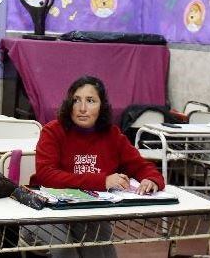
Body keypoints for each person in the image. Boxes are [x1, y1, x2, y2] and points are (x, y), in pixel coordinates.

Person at [32, 75, 165, 258]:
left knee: (102, 249)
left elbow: (140, 166)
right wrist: (102, 180)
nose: (82, 108)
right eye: (76, 100)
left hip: (88, 213)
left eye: (91, 101)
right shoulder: (53, 131)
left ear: (102, 106)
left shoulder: (112, 134)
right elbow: (46, 175)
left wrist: (151, 179)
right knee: (67, 251)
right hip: (46, 212)